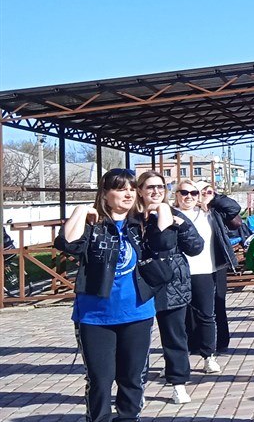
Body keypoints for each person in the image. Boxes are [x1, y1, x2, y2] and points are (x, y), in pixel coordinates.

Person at [56, 169, 168, 422]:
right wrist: (80, 211)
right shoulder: (93, 226)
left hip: (137, 312)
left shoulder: (141, 224)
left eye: (131, 188)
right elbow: (68, 243)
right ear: (105, 195)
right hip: (95, 316)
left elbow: (166, 241)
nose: (128, 193)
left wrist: (159, 206)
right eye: (120, 188)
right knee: (100, 380)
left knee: (132, 377)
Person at [138, 172, 204, 404]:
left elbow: (196, 247)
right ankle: (137, 389)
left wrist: (181, 226)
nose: (155, 192)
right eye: (150, 188)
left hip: (172, 284)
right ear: (140, 191)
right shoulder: (133, 218)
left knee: (175, 337)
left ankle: (178, 384)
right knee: (137, 342)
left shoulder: (176, 215)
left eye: (160, 187)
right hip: (140, 284)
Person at [197, 180, 242, 357]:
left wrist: (213, 198)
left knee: (219, 302)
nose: (201, 195)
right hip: (196, 266)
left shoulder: (215, 211)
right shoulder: (187, 212)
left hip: (216, 263)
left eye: (208, 190)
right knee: (198, 306)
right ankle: (197, 341)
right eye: (199, 191)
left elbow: (234, 208)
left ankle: (222, 341)